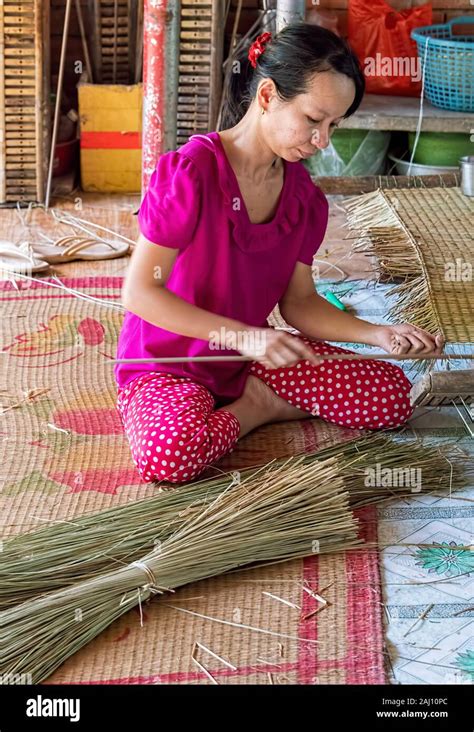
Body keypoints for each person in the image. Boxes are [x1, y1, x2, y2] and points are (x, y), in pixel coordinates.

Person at [115, 23, 443, 486]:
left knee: (390, 396)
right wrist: (247, 338)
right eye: (313, 120)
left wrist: (379, 334)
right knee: (169, 454)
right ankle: (257, 406)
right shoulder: (191, 173)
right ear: (267, 95)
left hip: (252, 360)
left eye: (333, 125)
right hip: (169, 366)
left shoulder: (303, 198)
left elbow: (300, 303)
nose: (322, 140)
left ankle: (253, 399)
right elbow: (140, 292)